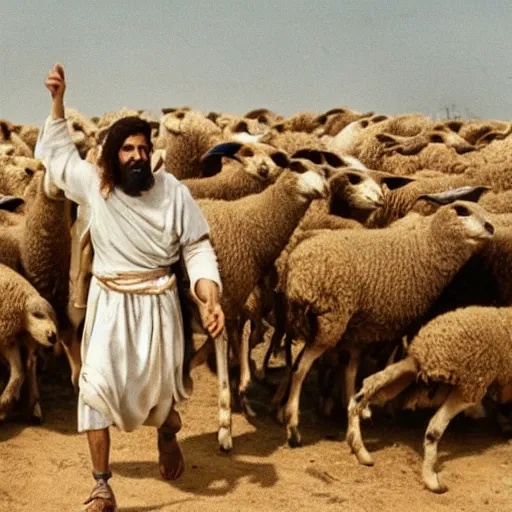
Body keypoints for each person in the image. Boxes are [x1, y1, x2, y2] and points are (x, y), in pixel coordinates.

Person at [37, 63, 225, 512]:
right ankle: (102, 485)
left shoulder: (173, 192)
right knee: (94, 386)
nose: (137, 156)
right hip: (109, 305)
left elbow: (197, 248)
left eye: (143, 148)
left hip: (158, 309)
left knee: (158, 398)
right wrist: (58, 101)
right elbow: (59, 158)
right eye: (127, 149)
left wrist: (209, 297)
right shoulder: (95, 186)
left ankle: (166, 431)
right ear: (112, 156)